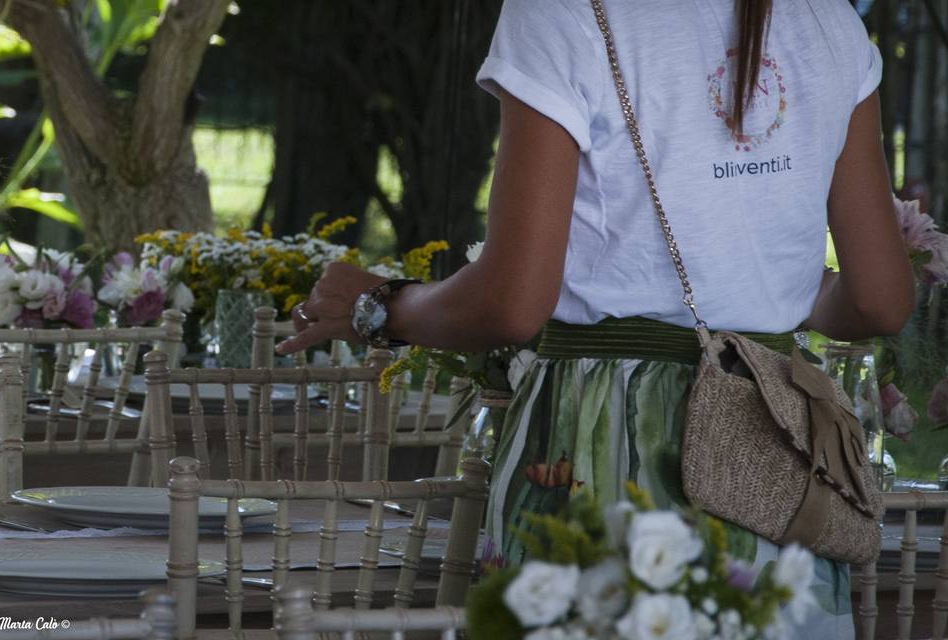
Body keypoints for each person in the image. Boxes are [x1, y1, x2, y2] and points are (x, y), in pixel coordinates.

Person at [277, 0, 915, 636]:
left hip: (602, 440)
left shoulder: (563, 10)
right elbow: (881, 299)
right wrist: (761, 295)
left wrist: (381, 306)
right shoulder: (828, 19)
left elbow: (511, 301)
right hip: (778, 449)